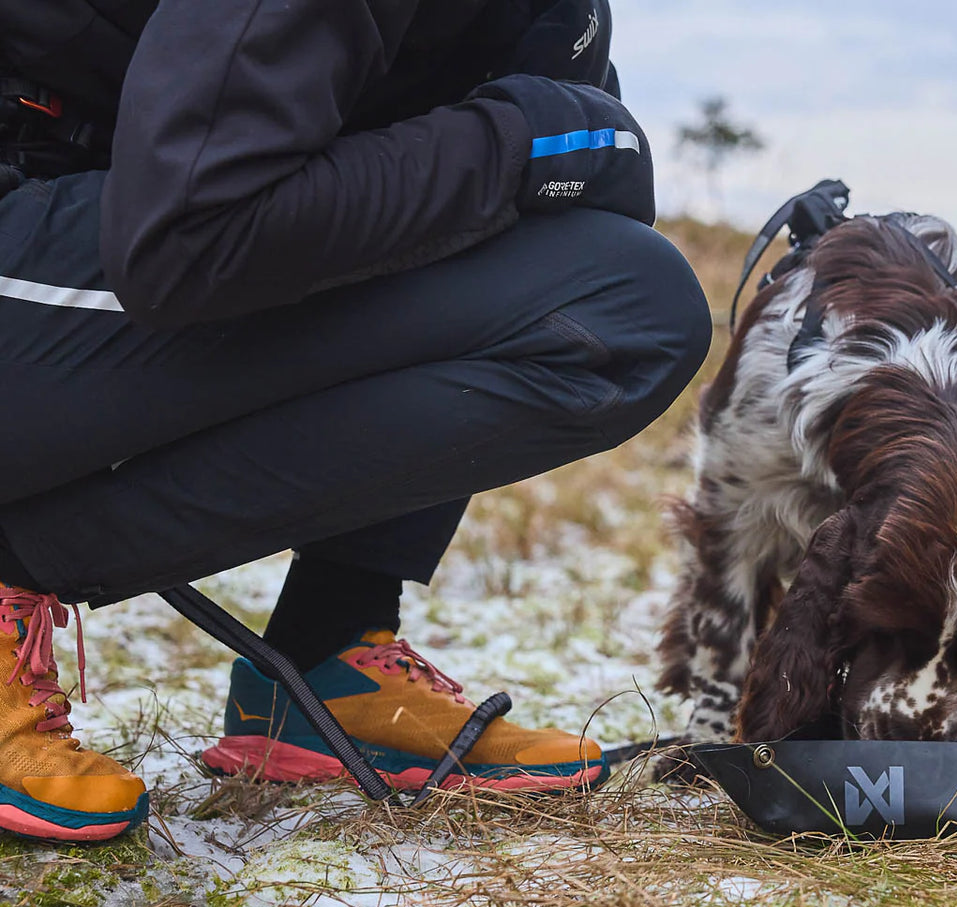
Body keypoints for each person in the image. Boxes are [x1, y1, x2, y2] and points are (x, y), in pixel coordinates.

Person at [0, 0, 711, 843]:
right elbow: (186, 236)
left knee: (611, 303)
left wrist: (538, 150)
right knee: (587, 269)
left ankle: (330, 648)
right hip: (76, 207)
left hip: (103, 213)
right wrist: (517, 145)